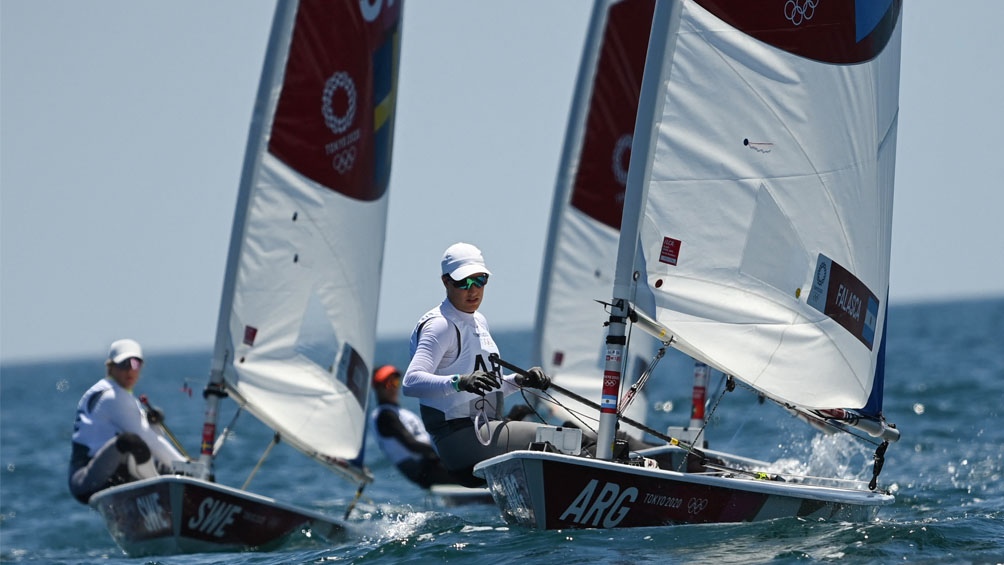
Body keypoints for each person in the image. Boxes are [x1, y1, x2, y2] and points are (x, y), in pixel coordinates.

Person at [402, 242, 551, 486]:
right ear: (445, 282)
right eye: (464, 282)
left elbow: (490, 386)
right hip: (462, 442)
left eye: (479, 280)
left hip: (485, 432)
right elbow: (410, 382)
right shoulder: (440, 325)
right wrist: (460, 382)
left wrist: (520, 381)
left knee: (571, 433)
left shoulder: (478, 321)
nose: (473, 290)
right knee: (561, 439)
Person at [68, 338, 187, 503]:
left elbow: (151, 439)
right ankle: (160, 494)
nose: (130, 370)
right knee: (130, 442)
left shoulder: (119, 394)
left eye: (135, 364)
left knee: (168, 467)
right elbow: (146, 440)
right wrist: (185, 465)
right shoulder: (112, 396)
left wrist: (154, 424)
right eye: (124, 364)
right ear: (111, 367)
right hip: (86, 480)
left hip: (113, 470)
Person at [369, 364, 461, 489]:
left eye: (395, 382)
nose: (392, 388)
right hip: (424, 469)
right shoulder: (385, 416)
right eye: (387, 384)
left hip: (433, 463)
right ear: (378, 389)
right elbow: (411, 445)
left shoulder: (396, 412)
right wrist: (446, 452)